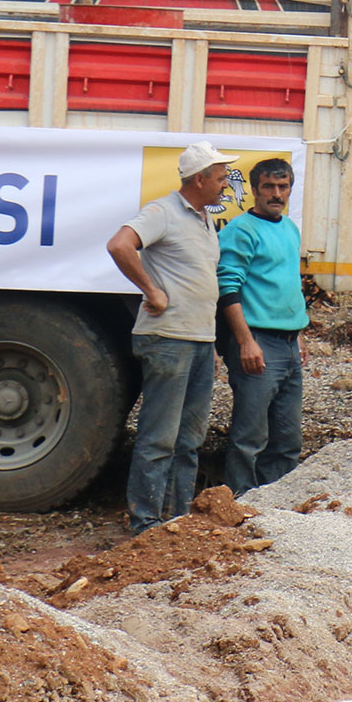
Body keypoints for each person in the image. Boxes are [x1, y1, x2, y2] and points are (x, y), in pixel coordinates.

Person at [107, 141, 238, 534]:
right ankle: (146, 523)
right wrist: (152, 289)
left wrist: (210, 343)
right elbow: (119, 244)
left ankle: (178, 521)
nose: (225, 184)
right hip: (168, 338)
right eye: (219, 177)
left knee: (189, 438)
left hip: (196, 340)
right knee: (160, 437)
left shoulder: (204, 220)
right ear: (199, 180)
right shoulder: (163, 211)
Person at [216, 157, 307, 494]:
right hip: (257, 342)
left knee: (286, 437)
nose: (276, 194)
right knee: (249, 436)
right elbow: (228, 289)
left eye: (283, 187)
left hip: (288, 344)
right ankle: (238, 502)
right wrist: (245, 342)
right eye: (269, 187)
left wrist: (299, 335)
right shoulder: (241, 230)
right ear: (254, 190)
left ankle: (276, 507)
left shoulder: (289, 228)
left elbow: (289, 284)